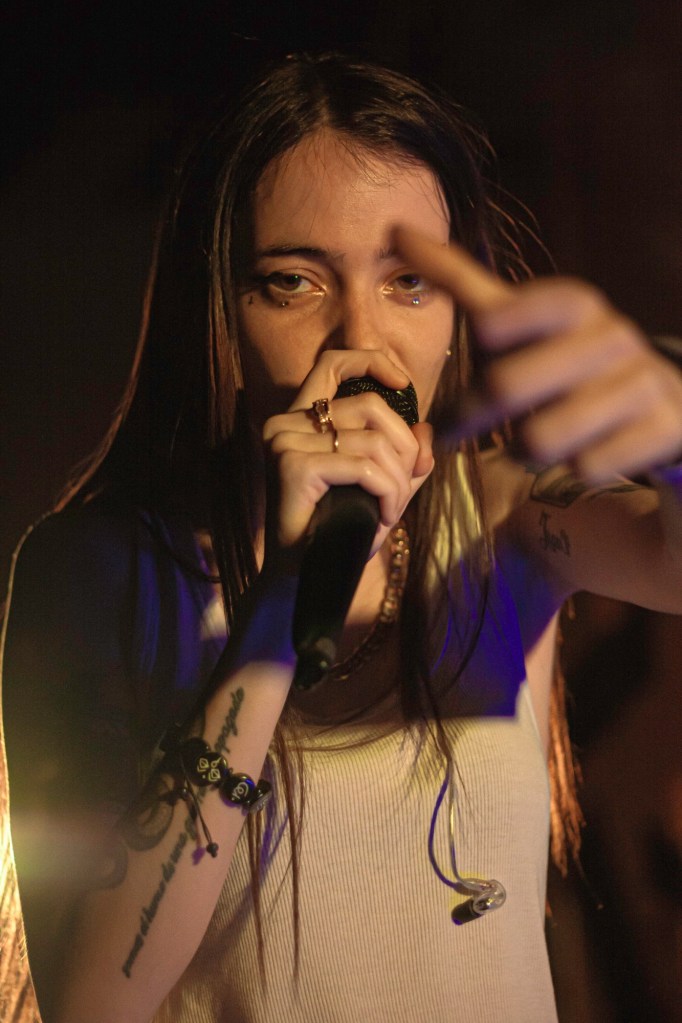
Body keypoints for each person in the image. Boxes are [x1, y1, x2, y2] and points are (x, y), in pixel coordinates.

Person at [2, 51, 682, 1023]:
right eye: (294, 282)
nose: (361, 341)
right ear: (219, 311)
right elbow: (89, 1002)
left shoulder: (506, 518)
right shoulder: (93, 575)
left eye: (409, 283)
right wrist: (282, 604)